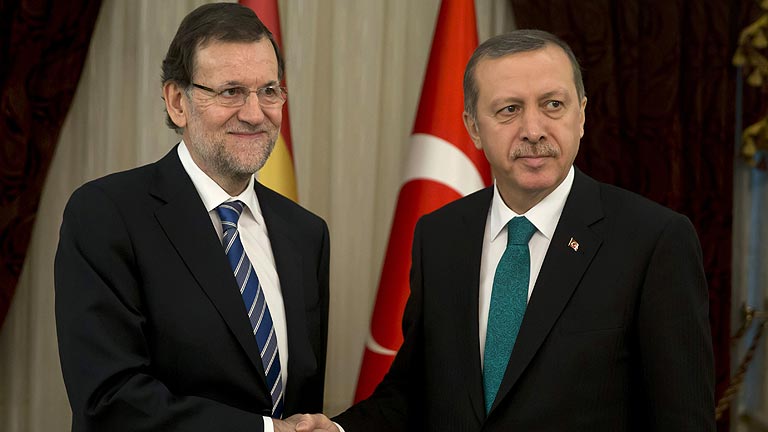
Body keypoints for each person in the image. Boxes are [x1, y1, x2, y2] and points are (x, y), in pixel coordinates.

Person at [303, 29, 716, 431]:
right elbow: (412, 393)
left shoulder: (654, 240)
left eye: (553, 105)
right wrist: (338, 430)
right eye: (509, 110)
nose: (533, 130)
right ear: (473, 128)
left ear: (582, 115)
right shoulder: (440, 236)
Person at [54, 3, 331, 431]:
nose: (254, 113)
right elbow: (109, 400)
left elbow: (300, 401)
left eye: (268, 90)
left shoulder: (307, 234)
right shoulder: (105, 215)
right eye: (230, 91)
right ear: (177, 102)